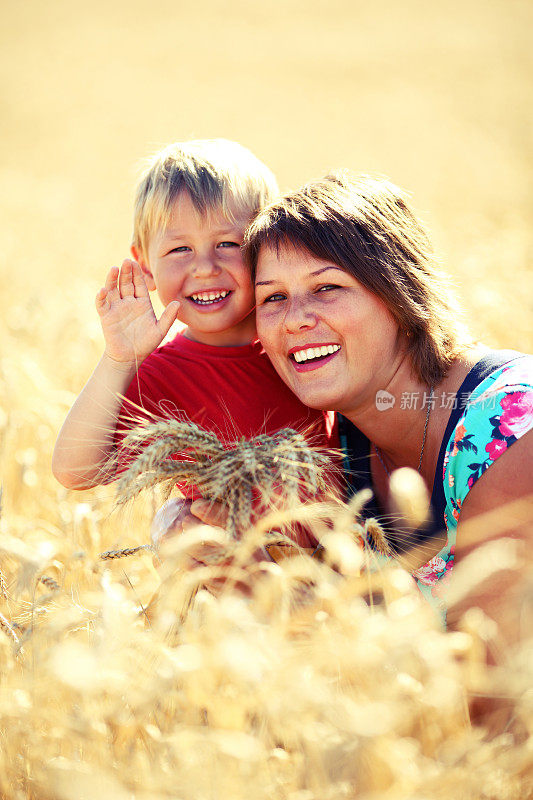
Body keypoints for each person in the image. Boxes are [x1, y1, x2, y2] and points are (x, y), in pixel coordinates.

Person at [235, 171, 533, 626]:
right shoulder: (329, 447)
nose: (294, 320)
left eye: (326, 288)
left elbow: (496, 686)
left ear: (399, 293)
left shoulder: (513, 438)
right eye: (273, 297)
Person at [52, 140, 335, 540]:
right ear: (145, 265)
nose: (204, 267)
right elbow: (74, 471)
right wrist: (119, 360)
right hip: (243, 584)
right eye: (180, 249)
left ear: (266, 246)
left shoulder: (304, 334)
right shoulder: (161, 375)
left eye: (227, 244)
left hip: (348, 572)